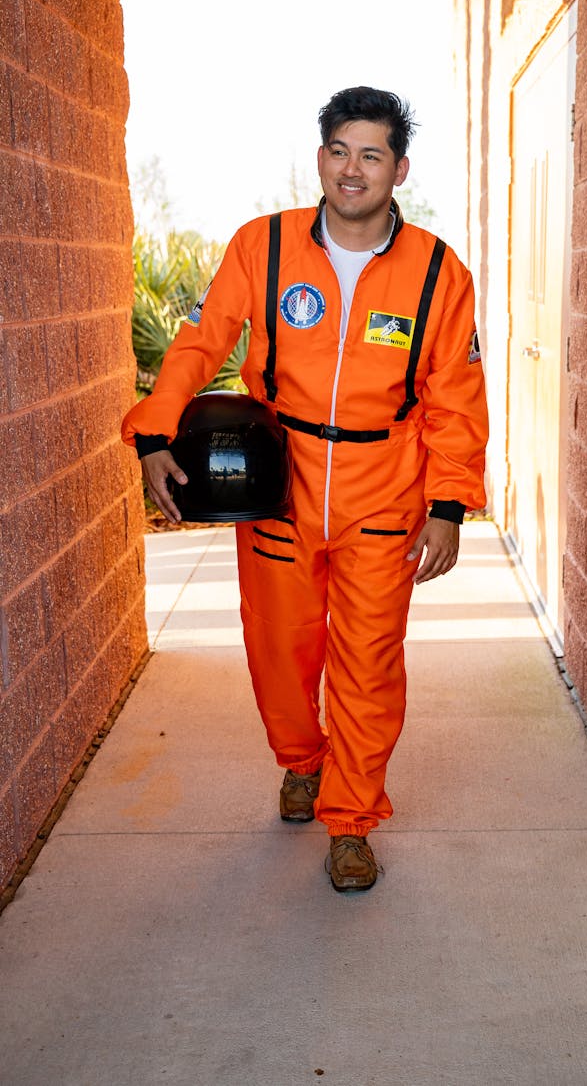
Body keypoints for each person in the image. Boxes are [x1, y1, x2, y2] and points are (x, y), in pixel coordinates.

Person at [121, 86, 489, 893]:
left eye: (371, 154)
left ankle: (351, 818)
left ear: (398, 168)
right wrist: (153, 428)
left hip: (384, 493)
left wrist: (449, 504)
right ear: (319, 156)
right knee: (280, 653)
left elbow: (455, 400)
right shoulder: (264, 247)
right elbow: (199, 339)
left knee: (367, 662)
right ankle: (302, 761)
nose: (352, 169)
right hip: (282, 483)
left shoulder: (437, 270)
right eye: (339, 151)